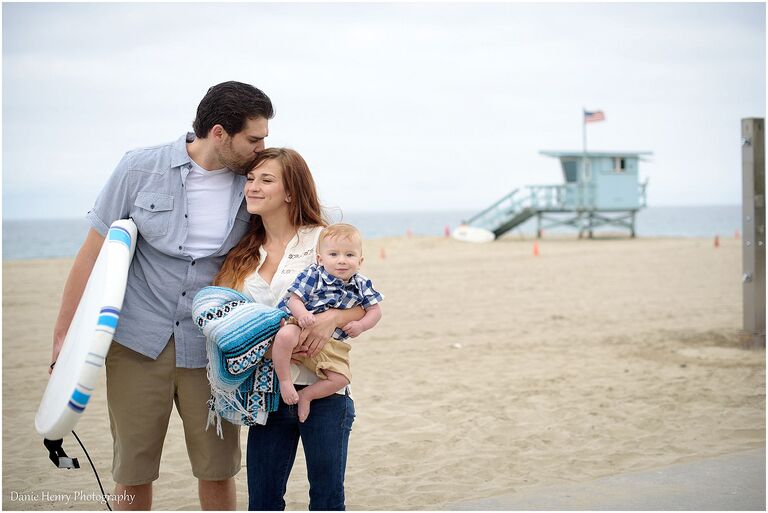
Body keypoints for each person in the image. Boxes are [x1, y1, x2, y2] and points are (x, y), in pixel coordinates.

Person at [50, 81, 274, 510]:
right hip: (136, 342)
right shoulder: (139, 168)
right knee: (133, 472)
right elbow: (92, 254)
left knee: (217, 469)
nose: (263, 146)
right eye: (254, 137)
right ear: (219, 133)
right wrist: (64, 337)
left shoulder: (254, 181)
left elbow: (283, 239)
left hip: (212, 349)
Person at [213, 147, 365, 511]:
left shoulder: (323, 240)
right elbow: (225, 319)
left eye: (266, 180)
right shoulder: (242, 253)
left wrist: (332, 319)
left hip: (323, 390)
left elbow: (363, 301)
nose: (253, 187)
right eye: (250, 179)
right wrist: (265, 346)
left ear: (291, 192)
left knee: (327, 500)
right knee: (263, 502)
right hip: (266, 393)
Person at [272, 223, 383, 423]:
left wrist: (361, 325)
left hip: (330, 344)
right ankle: (285, 381)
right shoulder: (313, 275)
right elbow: (293, 299)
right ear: (320, 259)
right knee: (284, 336)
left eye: (349, 255)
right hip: (301, 326)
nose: (342, 261)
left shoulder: (361, 284)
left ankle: (308, 395)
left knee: (341, 378)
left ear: (360, 260)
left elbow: (375, 310)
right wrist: (303, 313)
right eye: (333, 255)